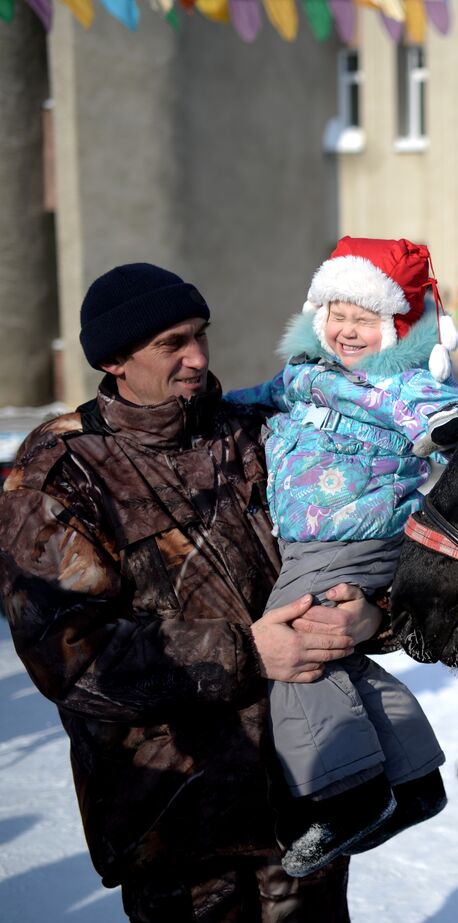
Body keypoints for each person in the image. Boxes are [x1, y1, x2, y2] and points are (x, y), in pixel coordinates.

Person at [1, 263, 382, 920]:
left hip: (304, 802)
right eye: (172, 343)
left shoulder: (254, 435)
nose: (198, 358)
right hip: (180, 828)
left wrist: (375, 612)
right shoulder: (60, 470)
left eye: (200, 334)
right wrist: (247, 651)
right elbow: (71, 656)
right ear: (116, 358)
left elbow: (348, 537)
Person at [226, 237, 458, 877]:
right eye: (337, 314)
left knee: (293, 650)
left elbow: (437, 408)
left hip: (353, 535)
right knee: (340, 659)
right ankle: (413, 778)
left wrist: (446, 428)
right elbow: (258, 397)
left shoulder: (399, 381)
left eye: (365, 318)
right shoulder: (307, 376)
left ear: (399, 327)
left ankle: (347, 796)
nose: (347, 330)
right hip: (319, 540)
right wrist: (216, 409)